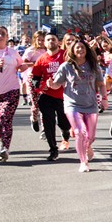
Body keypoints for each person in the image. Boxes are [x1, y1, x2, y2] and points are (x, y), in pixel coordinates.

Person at [48, 37, 105, 172]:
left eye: (82, 47)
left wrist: (104, 99)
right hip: (72, 104)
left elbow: (101, 84)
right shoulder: (66, 66)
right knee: (80, 132)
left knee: (90, 136)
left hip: (90, 105)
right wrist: (52, 85)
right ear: (72, 50)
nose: (80, 49)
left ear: (86, 50)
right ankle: (83, 162)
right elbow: (57, 85)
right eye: (77, 47)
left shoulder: (94, 66)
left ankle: (88, 146)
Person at [30, 33, 72, 161]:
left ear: (58, 42)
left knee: (64, 123)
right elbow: (35, 79)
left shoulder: (66, 55)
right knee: (49, 123)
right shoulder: (41, 59)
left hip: (64, 96)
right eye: (48, 40)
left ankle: (65, 132)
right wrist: (41, 86)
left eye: (53, 39)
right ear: (44, 43)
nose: (50, 41)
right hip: (47, 96)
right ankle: (53, 149)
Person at [0, 26, 24, 162]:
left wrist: (22, 67)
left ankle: (5, 148)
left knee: (5, 117)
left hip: (11, 90)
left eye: (3, 34)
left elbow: (20, 65)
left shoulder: (13, 52)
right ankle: (1, 138)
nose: (0, 35)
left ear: (7, 37)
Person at [22, 31, 46, 132]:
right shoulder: (30, 50)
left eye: (43, 40)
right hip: (33, 79)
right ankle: (34, 118)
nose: (40, 42)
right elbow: (24, 62)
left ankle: (45, 129)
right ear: (34, 40)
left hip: (45, 80)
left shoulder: (47, 50)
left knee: (45, 105)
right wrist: (35, 63)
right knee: (35, 104)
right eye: (38, 40)